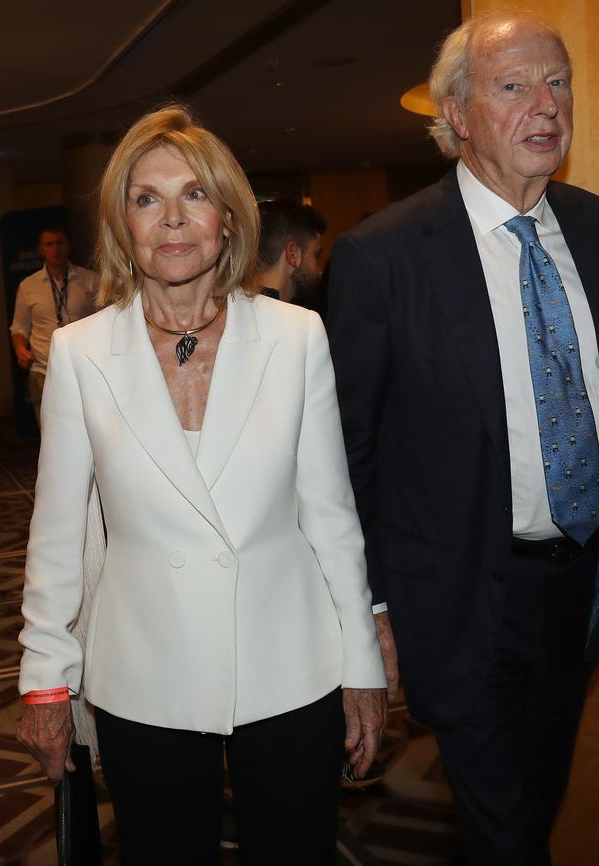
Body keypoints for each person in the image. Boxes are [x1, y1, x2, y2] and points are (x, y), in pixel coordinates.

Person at [16, 104, 386, 866]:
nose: (173, 219)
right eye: (147, 198)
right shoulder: (83, 356)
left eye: (194, 194)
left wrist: (363, 666)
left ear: (227, 216)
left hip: (291, 663)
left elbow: (331, 519)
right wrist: (46, 682)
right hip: (144, 671)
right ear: (123, 225)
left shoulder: (295, 338)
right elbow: (56, 535)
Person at [328, 13, 599, 866]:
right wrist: (366, 610)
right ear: (456, 116)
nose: (544, 104)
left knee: (538, 798)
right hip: (459, 602)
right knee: (507, 830)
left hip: (581, 595)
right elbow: (347, 456)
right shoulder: (385, 256)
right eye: (513, 86)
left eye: (556, 81)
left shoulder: (595, 231)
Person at [10, 226, 99, 424]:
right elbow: (19, 327)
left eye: (60, 243)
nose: (55, 249)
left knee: (87, 429)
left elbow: (107, 321)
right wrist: (19, 349)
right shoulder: (28, 286)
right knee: (50, 434)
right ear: (41, 249)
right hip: (43, 370)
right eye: (49, 244)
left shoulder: (91, 280)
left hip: (84, 369)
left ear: (68, 246)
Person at [257, 198, 326, 307]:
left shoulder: (230, 312)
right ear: (293, 254)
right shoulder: (305, 321)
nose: (319, 271)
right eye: (316, 256)